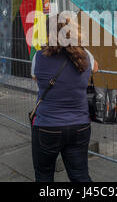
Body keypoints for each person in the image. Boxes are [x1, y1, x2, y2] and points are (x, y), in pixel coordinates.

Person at [30, 13, 98, 182]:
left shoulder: (38, 57)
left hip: (46, 126)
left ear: (49, 33)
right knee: (80, 175)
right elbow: (95, 68)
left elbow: (35, 78)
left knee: (44, 175)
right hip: (80, 126)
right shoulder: (86, 56)